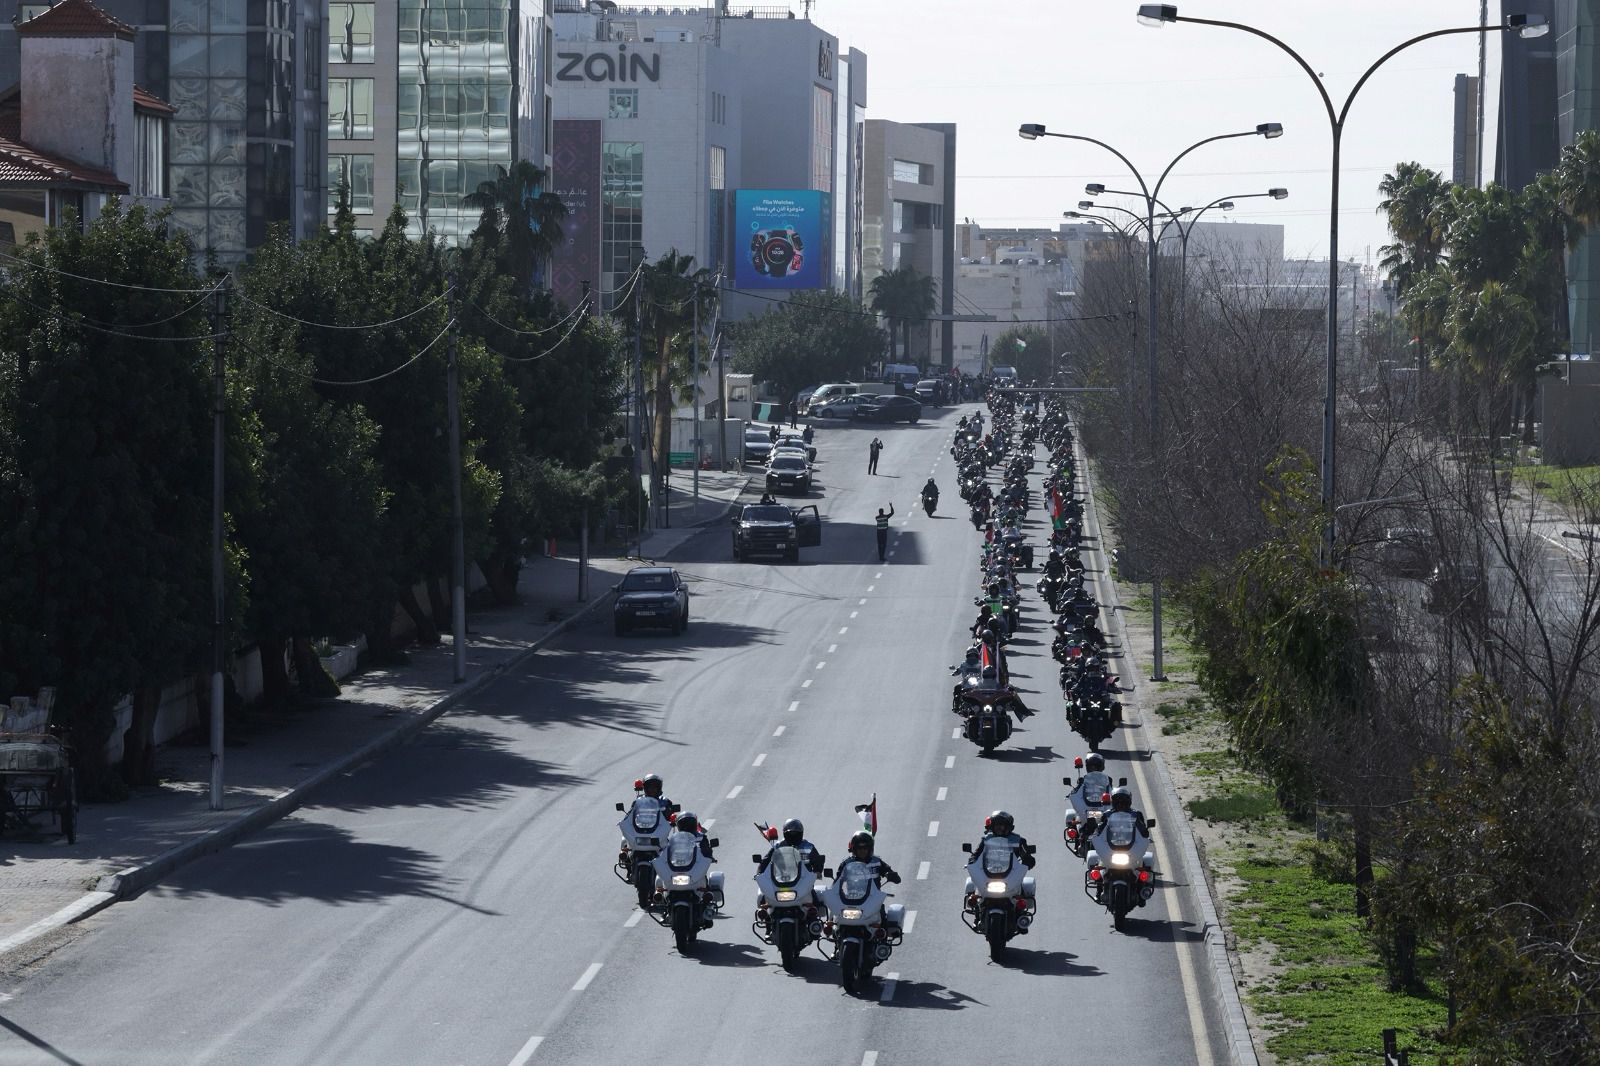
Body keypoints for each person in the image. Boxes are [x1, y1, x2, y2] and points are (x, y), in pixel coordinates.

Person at [972, 810, 1036, 869]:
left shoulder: (1018, 841)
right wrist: (972, 862)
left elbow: (1028, 859)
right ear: (993, 826)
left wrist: (1026, 862)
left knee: (1029, 879)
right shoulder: (986, 839)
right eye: (996, 825)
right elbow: (975, 855)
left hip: (1013, 872)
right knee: (970, 878)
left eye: (1001, 825)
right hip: (988, 872)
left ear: (1008, 826)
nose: (998, 828)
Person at [758, 818, 824, 874]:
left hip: (805, 881)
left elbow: (817, 862)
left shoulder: (808, 847)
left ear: (800, 833)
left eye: (796, 833)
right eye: (790, 834)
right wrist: (760, 872)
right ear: (785, 834)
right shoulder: (778, 846)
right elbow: (766, 861)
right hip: (780, 880)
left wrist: (817, 872)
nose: (793, 836)